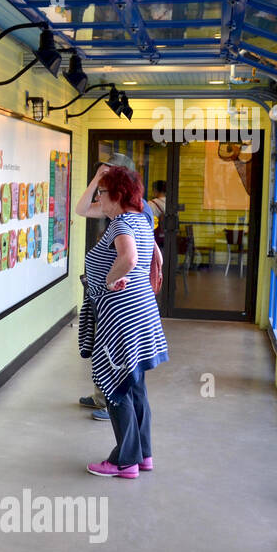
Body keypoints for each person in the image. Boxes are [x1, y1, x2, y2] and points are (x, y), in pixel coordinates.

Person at [75, 164, 168, 478]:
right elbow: (81, 208)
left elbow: (127, 258)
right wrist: (98, 179)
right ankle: (143, 455)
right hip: (140, 312)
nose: (98, 198)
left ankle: (124, 461)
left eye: (102, 193)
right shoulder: (139, 218)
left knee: (115, 385)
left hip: (121, 316)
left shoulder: (120, 224)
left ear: (116, 195)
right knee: (135, 383)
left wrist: (108, 282)